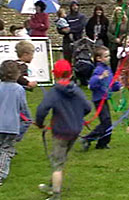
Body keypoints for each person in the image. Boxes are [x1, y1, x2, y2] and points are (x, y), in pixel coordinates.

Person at [36, 59, 92, 199]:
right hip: (75, 131)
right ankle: (51, 185)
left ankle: (55, 195)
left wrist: (40, 123)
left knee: (57, 164)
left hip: (60, 132)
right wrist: (78, 116)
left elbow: (42, 109)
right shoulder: (77, 90)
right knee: (60, 159)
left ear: (55, 74)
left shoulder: (54, 92)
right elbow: (88, 107)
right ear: (71, 74)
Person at [0, 60, 31, 186]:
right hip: (13, 126)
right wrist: (26, 120)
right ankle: (1, 176)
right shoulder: (20, 89)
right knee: (7, 149)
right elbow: (23, 107)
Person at [80, 46, 122, 151]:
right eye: (106, 56)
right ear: (99, 58)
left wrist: (118, 85)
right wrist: (100, 77)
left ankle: (102, 143)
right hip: (99, 100)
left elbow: (111, 83)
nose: (108, 58)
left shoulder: (107, 69)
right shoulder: (98, 70)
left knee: (107, 122)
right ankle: (87, 138)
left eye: (109, 56)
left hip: (105, 98)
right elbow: (92, 84)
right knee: (106, 122)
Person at [108, 6, 129, 73]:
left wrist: (125, 38)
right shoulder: (112, 23)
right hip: (113, 44)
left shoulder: (126, 23)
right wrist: (114, 39)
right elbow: (108, 33)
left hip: (123, 44)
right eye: (117, 14)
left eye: (120, 14)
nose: (119, 15)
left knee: (123, 60)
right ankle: (114, 74)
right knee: (114, 60)